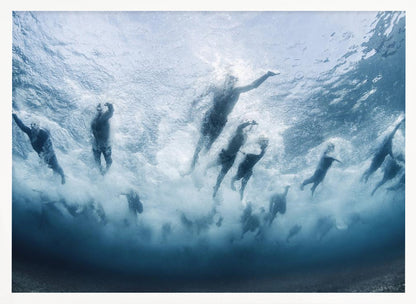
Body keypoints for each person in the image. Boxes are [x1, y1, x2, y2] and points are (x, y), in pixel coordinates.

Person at [187, 71, 279, 173]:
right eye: (229, 79)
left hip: (220, 122)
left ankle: (200, 164)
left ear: (235, 82)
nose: (230, 82)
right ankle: (192, 165)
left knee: (209, 144)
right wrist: (195, 102)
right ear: (225, 79)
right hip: (209, 116)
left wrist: (266, 75)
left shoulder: (236, 91)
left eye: (233, 80)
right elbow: (202, 95)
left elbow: (253, 85)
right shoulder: (216, 88)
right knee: (200, 141)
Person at [12, 113, 65, 184]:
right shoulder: (30, 132)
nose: (33, 127)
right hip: (41, 154)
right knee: (49, 168)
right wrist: (14, 115)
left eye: (35, 125)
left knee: (55, 167)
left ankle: (63, 177)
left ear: (38, 126)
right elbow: (21, 125)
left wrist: (46, 156)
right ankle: (49, 182)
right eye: (32, 125)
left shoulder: (43, 134)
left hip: (50, 154)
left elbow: (48, 147)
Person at [212, 120, 257, 197]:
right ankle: (201, 172)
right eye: (244, 132)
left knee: (221, 176)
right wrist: (250, 123)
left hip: (231, 159)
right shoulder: (238, 132)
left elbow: (242, 143)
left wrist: (251, 126)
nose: (244, 134)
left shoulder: (244, 138)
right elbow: (240, 126)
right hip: (224, 155)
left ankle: (215, 190)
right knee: (209, 166)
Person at [362, 117, 404, 183]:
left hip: (379, 160)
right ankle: (364, 178)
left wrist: (395, 158)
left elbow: (390, 153)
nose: (393, 137)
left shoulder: (388, 145)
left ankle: (363, 177)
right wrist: (400, 122)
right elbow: (394, 131)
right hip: (377, 159)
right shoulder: (387, 143)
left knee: (372, 170)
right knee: (371, 170)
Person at [91, 102, 114, 175]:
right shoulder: (95, 120)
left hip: (102, 145)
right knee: (100, 162)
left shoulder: (103, 118)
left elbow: (110, 112)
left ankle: (104, 172)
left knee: (107, 162)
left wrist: (110, 106)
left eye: (99, 108)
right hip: (99, 145)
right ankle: (102, 173)